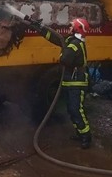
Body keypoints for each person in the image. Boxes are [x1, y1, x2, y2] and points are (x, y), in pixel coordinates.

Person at [27, 16, 92, 149]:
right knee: (72, 109)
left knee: (76, 109)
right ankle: (80, 133)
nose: (69, 28)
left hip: (77, 83)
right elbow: (55, 38)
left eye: (71, 26)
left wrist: (62, 53)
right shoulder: (71, 41)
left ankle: (86, 136)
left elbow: (64, 59)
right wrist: (40, 28)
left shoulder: (75, 44)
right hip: (70, 82)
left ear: (77, 29)